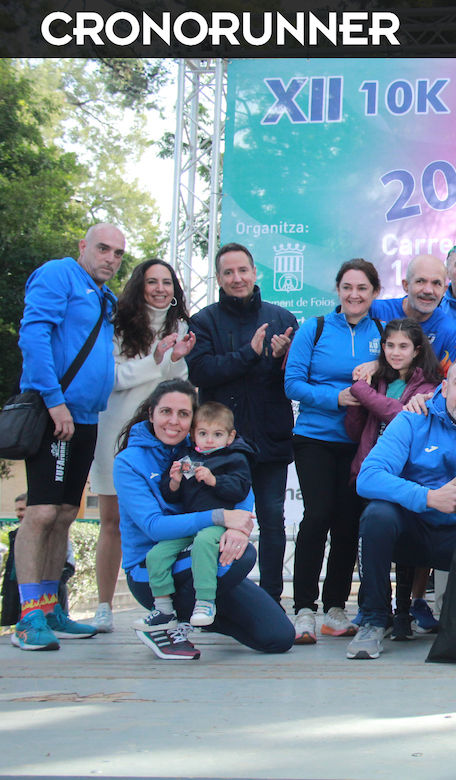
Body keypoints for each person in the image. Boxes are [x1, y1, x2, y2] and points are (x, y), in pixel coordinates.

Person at [346, 356, 456, 660]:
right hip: (411, 531)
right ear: (444, 388)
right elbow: (367, 477)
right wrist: (428, 497)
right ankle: (374, 619)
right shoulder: (411, 420)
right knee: (377, 515)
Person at [114, 380, 293, 659]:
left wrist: (238, 528)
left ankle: (200, 612)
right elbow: (153, 527)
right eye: (165, 412)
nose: (174, 421)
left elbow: (241, 481)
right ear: (151, 413)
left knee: (279, 637)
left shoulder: (202, 444)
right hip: (153, 568)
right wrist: (219, 517)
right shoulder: (129, 461)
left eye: (183, 414)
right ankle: (167, 621)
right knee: (243, 556)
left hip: (202, 553)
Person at [12, 223, 123, 651]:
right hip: (53, 412)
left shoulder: (105, 296)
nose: (110, 259)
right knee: (40, 512)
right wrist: (54, 400)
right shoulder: (59, 273)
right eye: (103, 249)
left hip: (86, 417)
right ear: (83, 246)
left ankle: (49, 608)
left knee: (63, 514)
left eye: (117, 253)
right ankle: (27, 617)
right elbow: (34, 335)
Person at [186, 243, 298, 605]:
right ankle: (212, 598)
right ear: (218, 278)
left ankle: (271, 599)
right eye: (229, 272)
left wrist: (281, 359)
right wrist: (248, 353)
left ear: (255, 272)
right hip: (221, 445)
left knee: (272, 518)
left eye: (243, 270)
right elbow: (201, 372)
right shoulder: (203, 321)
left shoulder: (282, 318)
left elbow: (296, 380)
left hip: (270, 438)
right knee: (216, 521)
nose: (237, 278)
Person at [89, 258, 194, 632]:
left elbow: (177, 385)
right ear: (139, 285)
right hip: (117, 431)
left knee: (167, 512)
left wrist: (174, 360)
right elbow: (112, 378)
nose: (160, 289)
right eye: (152, 281)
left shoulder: (180, 326)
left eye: (167, 282)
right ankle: (103, 606)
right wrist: (156, 359)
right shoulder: (117, 323)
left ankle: (168, 604)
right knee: (113, 521)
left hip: (162, 435)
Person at [284, 259, 385, 644]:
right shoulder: (315, 328)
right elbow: (292, 384)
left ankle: (335, 608)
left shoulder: (382, 332)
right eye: (347, 287)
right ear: (338, 290)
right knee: (318, 515)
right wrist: (335, 398)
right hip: (315, 437)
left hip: (360, 442)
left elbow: (400, 368)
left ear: (374, 293)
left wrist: (379, 362)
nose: (354, 295)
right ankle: (303, 610)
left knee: (348, 523)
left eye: (362, 288)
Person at [344, 318, 442, 639]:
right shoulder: (378, 381)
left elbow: (397, 414)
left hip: (405, 475)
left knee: (405, 550)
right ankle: (376, 609)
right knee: (372, 542)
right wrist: (359, 402)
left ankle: (403, 613)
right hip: (371, 470)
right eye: (389, 345)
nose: (395, 352)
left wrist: (360, 389)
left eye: (403, 346)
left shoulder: (429, 385)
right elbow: (355, 430)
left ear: (417, 350)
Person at [137, 402, 256, 630]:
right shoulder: (188, 457)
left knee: (203, 543)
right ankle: (163, 607)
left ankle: (205, 600)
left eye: (217, 434)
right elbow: (171, 497)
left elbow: (241, 489)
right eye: (203, 434)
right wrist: (174, 483)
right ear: (192, 435)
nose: (209, 440)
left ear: (230, 437)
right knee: (156, 555)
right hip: (190, 523)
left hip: (218, 524)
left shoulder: (235, 457)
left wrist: (215, 480)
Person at [369, 254, 456, 374]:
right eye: (420, 281)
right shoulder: (375, 311)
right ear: (406, 285)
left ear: (444, 290)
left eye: (436, 283)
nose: (428, 290)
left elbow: (450, 380)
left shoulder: (448, 330)